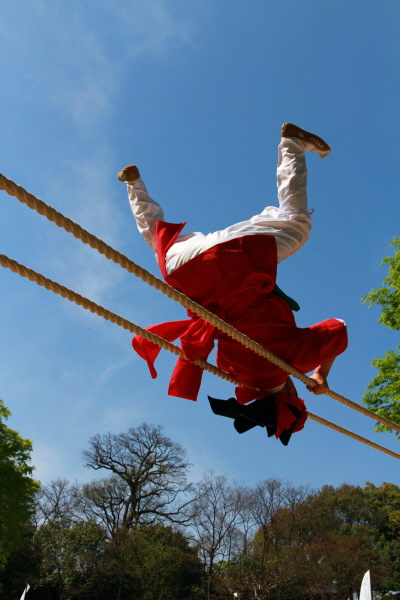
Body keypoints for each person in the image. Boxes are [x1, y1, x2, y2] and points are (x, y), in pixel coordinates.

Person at [118, 123, 348, 444]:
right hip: (188, 271)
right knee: (159, 244)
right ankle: (134, 186)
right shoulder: (235, 371)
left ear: (292, 392)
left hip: (235, 263)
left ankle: (292, 143)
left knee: (297, 222)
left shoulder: (290, 361)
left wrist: (320, 372)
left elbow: (338, 328)